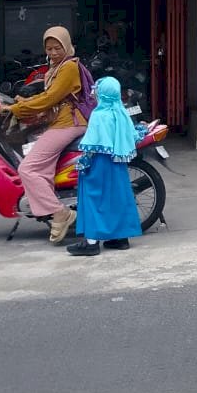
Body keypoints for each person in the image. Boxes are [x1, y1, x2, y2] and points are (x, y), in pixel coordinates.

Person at [2, 26, 88, 244]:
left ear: (66, 46)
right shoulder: (56, 67)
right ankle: (51, 209)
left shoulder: (68, 67)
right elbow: (45, 94)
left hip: (69, 123)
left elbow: (50, 98)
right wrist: (21, 102)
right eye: (49, 49)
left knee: (27, 168)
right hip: (60, 122)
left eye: (57, 48)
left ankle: (61, 213)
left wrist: (17, 110)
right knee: (41, 166)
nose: (53, 52)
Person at [67, 76, 144, 257]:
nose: (94, 93)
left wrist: (84, 162)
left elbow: (92, 144)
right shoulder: (121, 111)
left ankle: (91, 243)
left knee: (93, 197)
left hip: (99, 162)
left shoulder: (99, 115)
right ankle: (120, 238)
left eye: (97, 90)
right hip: (118, 164)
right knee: (118, 197)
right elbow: (133, 135)